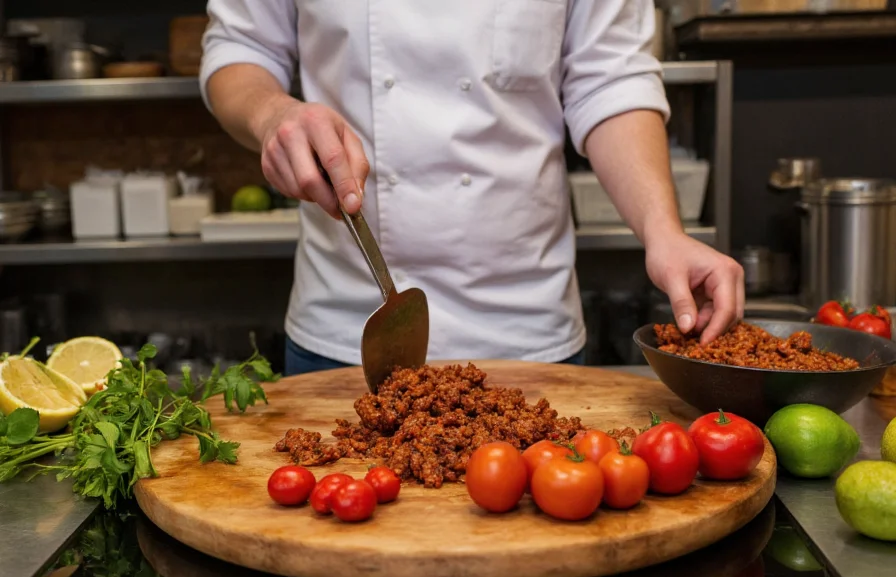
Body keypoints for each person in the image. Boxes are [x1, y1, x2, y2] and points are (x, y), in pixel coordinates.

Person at [200, 1, 744, 377]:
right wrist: (272, 113)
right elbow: (238, 49)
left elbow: (609, 79)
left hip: (527, 329)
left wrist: (663, 231)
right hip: (347, 328)